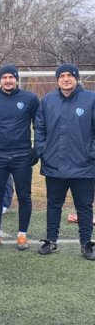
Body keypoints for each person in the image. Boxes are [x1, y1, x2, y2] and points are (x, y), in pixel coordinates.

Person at [34, 63, 95, 260]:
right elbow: (39, 128)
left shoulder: (91, 99)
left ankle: (86, 244)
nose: (66, 79)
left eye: (70, 75)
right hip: (54, 164)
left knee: (84, 206)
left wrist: (91, 153)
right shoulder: (48, 100)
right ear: (57, 79)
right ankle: (51, 241)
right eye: (62, 76)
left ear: (76, 78)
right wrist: (42, 150)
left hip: (84, 165)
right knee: (53, 204)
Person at [0, 64, 39, 250]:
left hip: (22, 155)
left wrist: (36, 148)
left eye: (11, 77)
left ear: (16, 79)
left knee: (24, 196)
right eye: (4, 77)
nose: (8, 80)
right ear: (0, 80)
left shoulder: (30, 99)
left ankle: (22, 236)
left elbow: (39, 125)